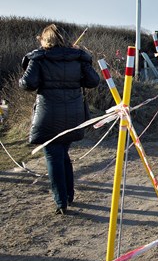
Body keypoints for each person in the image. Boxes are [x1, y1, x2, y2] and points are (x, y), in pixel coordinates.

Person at [19, 24, 100, 215]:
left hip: (48, 114)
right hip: (73, 115)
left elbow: (28, 84)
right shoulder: (77, 58)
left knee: (53, 156)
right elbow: (93, 81)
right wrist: (84, 60)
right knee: (62, 154)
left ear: (46, 39)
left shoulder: (39, 58)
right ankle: (68, 196)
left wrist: (24, 72)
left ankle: (61, 201)